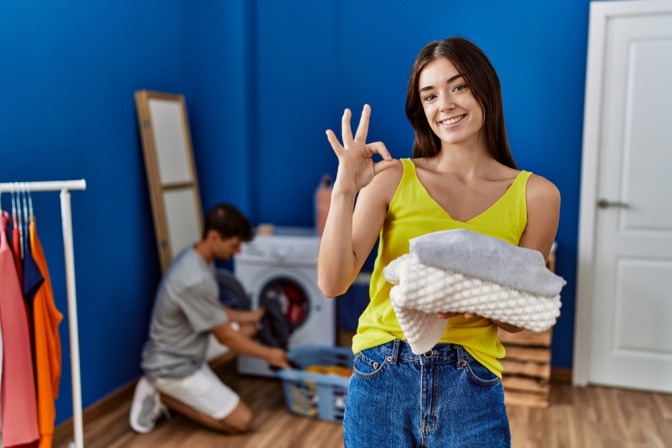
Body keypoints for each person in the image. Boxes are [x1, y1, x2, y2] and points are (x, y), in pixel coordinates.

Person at [318, 36, 560, 447]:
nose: (444, 104)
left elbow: (519, 317)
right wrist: (345, 191)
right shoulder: (392, 178)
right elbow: (332, 283)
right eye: (430, 95)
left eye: (459, 86)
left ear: (486, 89)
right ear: (421, 109)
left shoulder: (537, 195)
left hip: (472, 385)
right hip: (382, 376)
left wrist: (463, 296)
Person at [130, 203, 290, 434]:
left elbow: (213, 309)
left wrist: (252, 316)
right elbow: (226, 338)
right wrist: (270, 355)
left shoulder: (196, 256)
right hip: (172, 366)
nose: (238, 252)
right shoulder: (194, 278)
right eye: (234, 245)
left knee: (248, 328)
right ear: (214, 237)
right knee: (241, 421)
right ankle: (160, 394)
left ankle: (191, 388)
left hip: (189, 346)